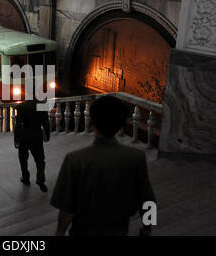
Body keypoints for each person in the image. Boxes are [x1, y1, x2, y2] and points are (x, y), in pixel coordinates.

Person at [50, 95, 156, 236]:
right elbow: (148, 199)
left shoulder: (75, 159)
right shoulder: (136, 157)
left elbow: (67, 208)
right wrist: (148, 226)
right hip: (119, 230)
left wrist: (59, 232)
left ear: (92, 122)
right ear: (122, 123)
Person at [14, 98, 50, 192]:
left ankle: (25, 178)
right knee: (40, 160)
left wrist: (16, 139)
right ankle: (40, 178)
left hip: (24, 136)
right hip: (37, 136)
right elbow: (46, 123)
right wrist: (47, 135)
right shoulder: (41, 106)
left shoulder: (21, 106)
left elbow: (18, 124)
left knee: (23, 159)